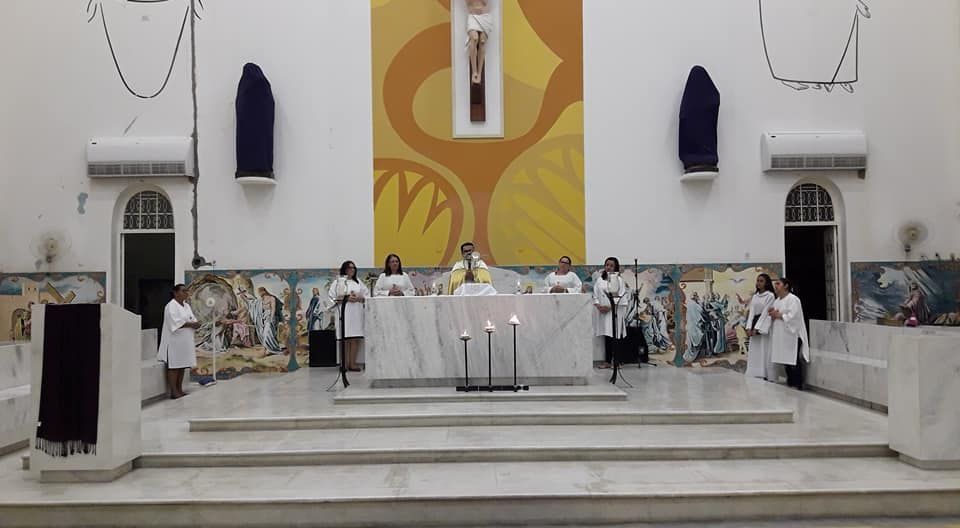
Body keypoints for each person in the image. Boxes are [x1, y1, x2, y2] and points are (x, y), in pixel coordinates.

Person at [157, 284, 200, 399]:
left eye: (187, 291)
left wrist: (196, 324)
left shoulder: (186, 306)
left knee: (182, 365)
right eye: (183, 291)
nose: (186, 293)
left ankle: (180, 389)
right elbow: (175, 323)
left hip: (185, 341)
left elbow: (192, 319)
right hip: (174, 342)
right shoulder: (171, 306)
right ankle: (174, 391)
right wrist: (191, 324)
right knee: (174, 366)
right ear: (175, 293)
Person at [768, 277, 810, 390]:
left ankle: (797, 384)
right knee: (785, 360)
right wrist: (772, 314)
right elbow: (775, 315)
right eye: (775, 284)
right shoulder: (777, 301)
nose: (776, 286)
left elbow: (794, 316)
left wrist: (780, 315)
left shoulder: (793, 299)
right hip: (781, 335)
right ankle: (790, 382)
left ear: (786, 285)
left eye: (778, 283)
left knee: (793, 360)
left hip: (792, 335)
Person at [329, 260, 370, 371]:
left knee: (355, 338)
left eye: (353, 268)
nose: (352, 270)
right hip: (345, 313)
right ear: (344, 269)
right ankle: (344, 364)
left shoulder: (358, 282)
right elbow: (331, 297)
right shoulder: (338, 282)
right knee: (345, 339)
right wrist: (345, 298)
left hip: (356, 313)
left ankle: (353, 363)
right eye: (349, 268)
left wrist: (359, 298)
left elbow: (366, 296)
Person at [593, 257, 627, 369]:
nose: (608, 267)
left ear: (615, 267)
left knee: (615, 335)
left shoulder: (619, 280)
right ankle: (607, 361)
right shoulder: (600, 280)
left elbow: (621, 296)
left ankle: (617, 361)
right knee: (607, 335)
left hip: (614, 311)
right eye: (607, 265)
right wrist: (598, 305)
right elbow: (595, 294)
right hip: (603, 311)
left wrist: (610, 307)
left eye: (611, 265)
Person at [744, 273, 777, 380]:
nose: (758, 283)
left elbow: (765, 313)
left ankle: (765, 372)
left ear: (766, 283)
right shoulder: (755, 296)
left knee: (764, 349)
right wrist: (748, 327)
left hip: (763, 326)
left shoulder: (770, 296)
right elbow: (752, 312)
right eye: (757, 281)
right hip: (754, 324)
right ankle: (754, 371)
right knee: (754, 349)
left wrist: (757, 328)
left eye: (761, 281)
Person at [465, 0, 493, 84]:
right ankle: (474, 72)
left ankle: (479, 74)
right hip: (473, 16)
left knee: (482, 41)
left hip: (485, 16)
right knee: (474, 38)